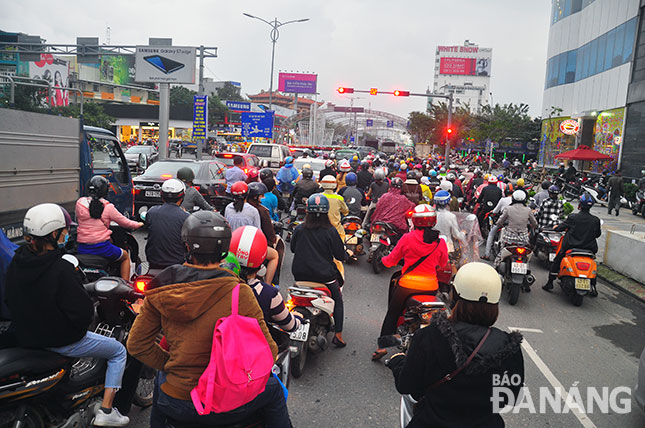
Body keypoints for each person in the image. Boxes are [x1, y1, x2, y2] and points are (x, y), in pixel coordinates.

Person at [127, 211, 290, 428]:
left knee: (161, 380)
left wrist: (170, 364)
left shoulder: (163, 289)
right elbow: (269, 351)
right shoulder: (239, 292)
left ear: (186, 246)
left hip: (177, 403)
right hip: (228, 403)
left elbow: (137, 345)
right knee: (275, 391)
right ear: (225, 251)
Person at [6, 203, 130, 426]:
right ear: (53, 234)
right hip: (61, 341)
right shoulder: (61, 269)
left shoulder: (16, 261)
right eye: (63, 231)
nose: (66, 235)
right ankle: (107, 410)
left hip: (26, 337)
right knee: (118, 351)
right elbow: (82, 313)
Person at [386, 262, 524, 428]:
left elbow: (407, 385)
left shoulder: (429, 336)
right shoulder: (509, 347)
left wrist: (397, 361)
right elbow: (511, 397)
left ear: (455, 298)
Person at [372, 205, 449, 361]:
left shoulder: (407, 238)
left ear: (415, 220)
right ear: (433, 221)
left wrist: (383, 260)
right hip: (431, 288)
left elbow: (391, 261)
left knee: (392, 314)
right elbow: (443, 263)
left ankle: (381, 348)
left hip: (407, 286)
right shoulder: (440, 242)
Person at [290, 194, 348, 347]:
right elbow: (339, 255)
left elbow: (293, 248)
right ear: (326, 212)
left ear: (307, 211)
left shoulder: (300, 229)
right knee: (338, 300)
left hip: (300, 274)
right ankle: (339, 336)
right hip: (324, 277)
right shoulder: (331, 231)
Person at [231, 225, 301, 332]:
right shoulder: (269, 294)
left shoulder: (219, 284)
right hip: (255, 345)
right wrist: (298, 317)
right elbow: (290, 326)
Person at [76, 176, 143, 280]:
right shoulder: (108, 207)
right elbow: (126, 223)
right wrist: (138, 224)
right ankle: (124, 287)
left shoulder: (80, 203)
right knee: (125, 257)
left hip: (82, 248)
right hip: (102, 248)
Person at [543, 193, 602, 295]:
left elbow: (561, 227)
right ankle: (593, 287)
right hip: (589, 249)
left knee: (557, 260)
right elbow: (597, 234)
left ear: (580, 205)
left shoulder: (573, 217)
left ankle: (550, 282)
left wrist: (556, 228)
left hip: (571, 247)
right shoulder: (595, 220)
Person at [145, 179, 190, 271]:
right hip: (177, 264)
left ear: (162, 196)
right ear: (182, 197)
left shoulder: (152, 212)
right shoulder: (186, 217)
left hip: (153, 262)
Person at [494, 190, 537, 271]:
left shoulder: (508, 209)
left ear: (513, 199)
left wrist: (500, 224)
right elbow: (535, 224)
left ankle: (495, 269)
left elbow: (499, 222)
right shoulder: (528, 210)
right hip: (523, 239)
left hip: (509, 238)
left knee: (500, 256)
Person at [434, 191, 466, 263]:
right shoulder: (451, 216)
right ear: (448, 202)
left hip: (432, 246)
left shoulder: (432, 214)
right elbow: (456, 235)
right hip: (447, 246)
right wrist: (463, 233)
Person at [484, 188, 513, 260]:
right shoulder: (525, 207)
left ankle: (487, 254)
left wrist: (492, 212)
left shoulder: (503, 200)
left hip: (503, 222)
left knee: (491, 234)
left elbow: (495, 211)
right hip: (515, 225)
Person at [320, 175, 349, 239]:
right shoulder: (339, 198)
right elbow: (346, 211)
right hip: (336, 229)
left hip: (320, 228)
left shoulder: (318, 197)